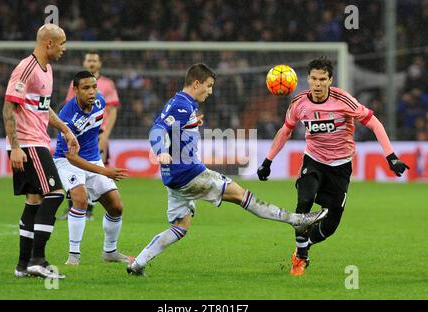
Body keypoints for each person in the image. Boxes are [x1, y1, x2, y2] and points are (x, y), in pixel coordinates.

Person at [126, 63, 327, 276]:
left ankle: (137, 264)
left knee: (180, 227)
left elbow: (174, 127)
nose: (211, 91)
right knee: (242, 196)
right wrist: (160, 151)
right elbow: (157, 129)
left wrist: (193, 124)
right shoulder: (182, 106)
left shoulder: (184, 103)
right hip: (190, 174)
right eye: (209, 86)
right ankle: (296, 220)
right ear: (196, 83)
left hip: (174, 178)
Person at [257, 57, 410, 276]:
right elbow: (285, 131)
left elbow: (374, 123)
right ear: (308, 79)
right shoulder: (299, 103)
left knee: (329, 227)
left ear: (330, 80)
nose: (317, 84)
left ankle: (305, 244)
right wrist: (267, 161)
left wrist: (391, 156)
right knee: (304, 202)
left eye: (322, 79)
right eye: (313, 79)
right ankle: (300, 258)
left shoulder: (344, 101)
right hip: (313, 160)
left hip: (340, 166)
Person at [2, 24, 79, 279]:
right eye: (62, 43)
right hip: (27, 143)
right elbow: (8, 107)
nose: (64, 49)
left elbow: (43, 109)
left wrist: (66, 130)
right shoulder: (27, 68)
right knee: (56, 193)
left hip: (37, 141)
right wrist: (15, 147)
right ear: (49, 43)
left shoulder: (47, 71)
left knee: (34, 201)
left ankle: (23, 266)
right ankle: (38, 260)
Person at [53, 71, 129, 265]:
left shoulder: (100, 102)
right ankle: (73, 256)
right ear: (75, 90)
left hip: (93, 159)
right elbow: (71, 156)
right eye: (86, 88)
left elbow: (95, 128)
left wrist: (101, 144)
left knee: (116, 206)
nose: (92, 92)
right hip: (67, 161)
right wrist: (104, 171)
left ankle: (110, 252)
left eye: (94, 87)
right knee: (80, 199)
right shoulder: (66, 116)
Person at [58, 52, 121, 221]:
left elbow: (112, 111)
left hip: (98, 132)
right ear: (84, 62)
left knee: (95, 172)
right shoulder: (76, 84)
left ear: (99, 64)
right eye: (89, 60)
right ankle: (75, 207)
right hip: (77, 133)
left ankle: (89, 211)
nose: (92, 63)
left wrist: (106, 135)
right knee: (75, 169)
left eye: (94, 60)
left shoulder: (107, 84)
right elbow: (68, 110)